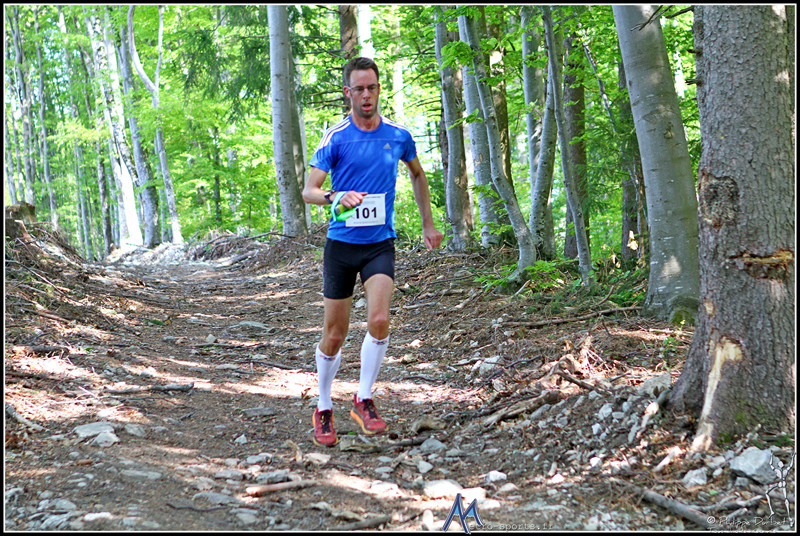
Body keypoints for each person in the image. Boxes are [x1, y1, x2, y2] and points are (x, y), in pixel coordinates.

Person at [302, 56, 443, 447]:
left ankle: (363, 399)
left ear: (379, 90)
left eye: (372, 87)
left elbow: (417, 174)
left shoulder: (398, 135)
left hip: (380, 243)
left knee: (379, 320)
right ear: (348, 92)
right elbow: (309, 190)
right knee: (335, 334)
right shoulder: (336, 137)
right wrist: (335, 196)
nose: (367, 95)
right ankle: (324, 405)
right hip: (341, 246)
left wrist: (428, 223)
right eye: (359, 89)